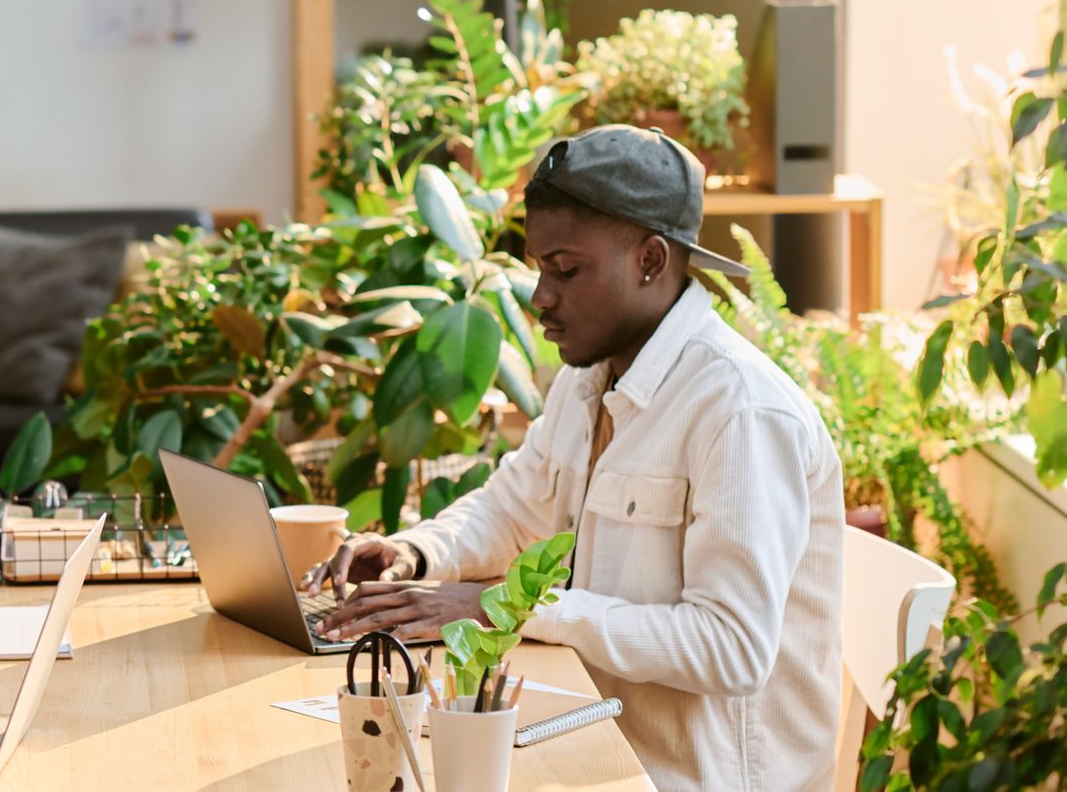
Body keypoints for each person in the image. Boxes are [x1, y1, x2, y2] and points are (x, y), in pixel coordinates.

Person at [303, 126, 844, 792]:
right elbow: (512, 507)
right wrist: (415, 555)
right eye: (537, 268)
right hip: (593, 744)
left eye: (565, 269)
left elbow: (731, 649)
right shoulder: (590, 377)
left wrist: (508, 606)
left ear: (651, 260)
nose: (540, 299)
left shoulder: (740, 411)